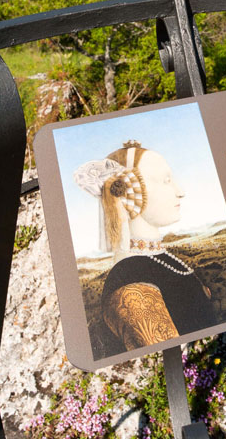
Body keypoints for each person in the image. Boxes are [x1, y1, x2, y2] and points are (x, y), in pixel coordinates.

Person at [74, 140, 215, 353]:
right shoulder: (130, 282)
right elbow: (172, 357)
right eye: (166, 180)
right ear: (129, 191)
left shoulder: (161, 258)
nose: (180, 191)